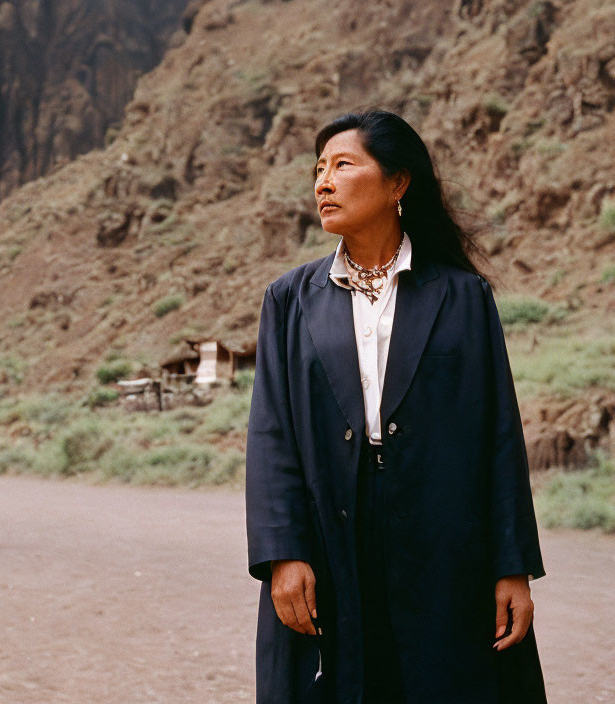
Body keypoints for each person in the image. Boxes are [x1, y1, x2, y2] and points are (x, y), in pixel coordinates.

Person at [245, 109, 546, 703]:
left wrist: (512, 566)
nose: (322, 183)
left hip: (446, 543)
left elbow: (499, 435)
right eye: (318, 170)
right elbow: (271, 434)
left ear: (397, 183)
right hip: (332, 537)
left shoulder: (462, 295)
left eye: (342, 165)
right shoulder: (288, 301)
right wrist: (283, 553)